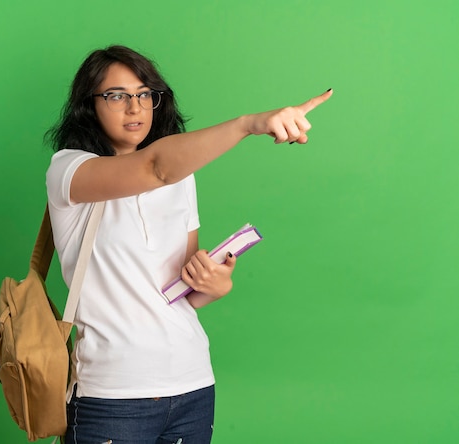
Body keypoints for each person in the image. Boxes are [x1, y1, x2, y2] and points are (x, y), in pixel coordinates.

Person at [45, 45, 332, 444]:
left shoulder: (182, 176)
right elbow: (155, 167)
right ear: (88, 105)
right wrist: (249, 123)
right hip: (113, 397)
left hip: (193, 386)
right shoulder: (69, 170)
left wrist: (214, 285)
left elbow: (180, 290)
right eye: (117, 95)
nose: (135, 107)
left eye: (145, 94)